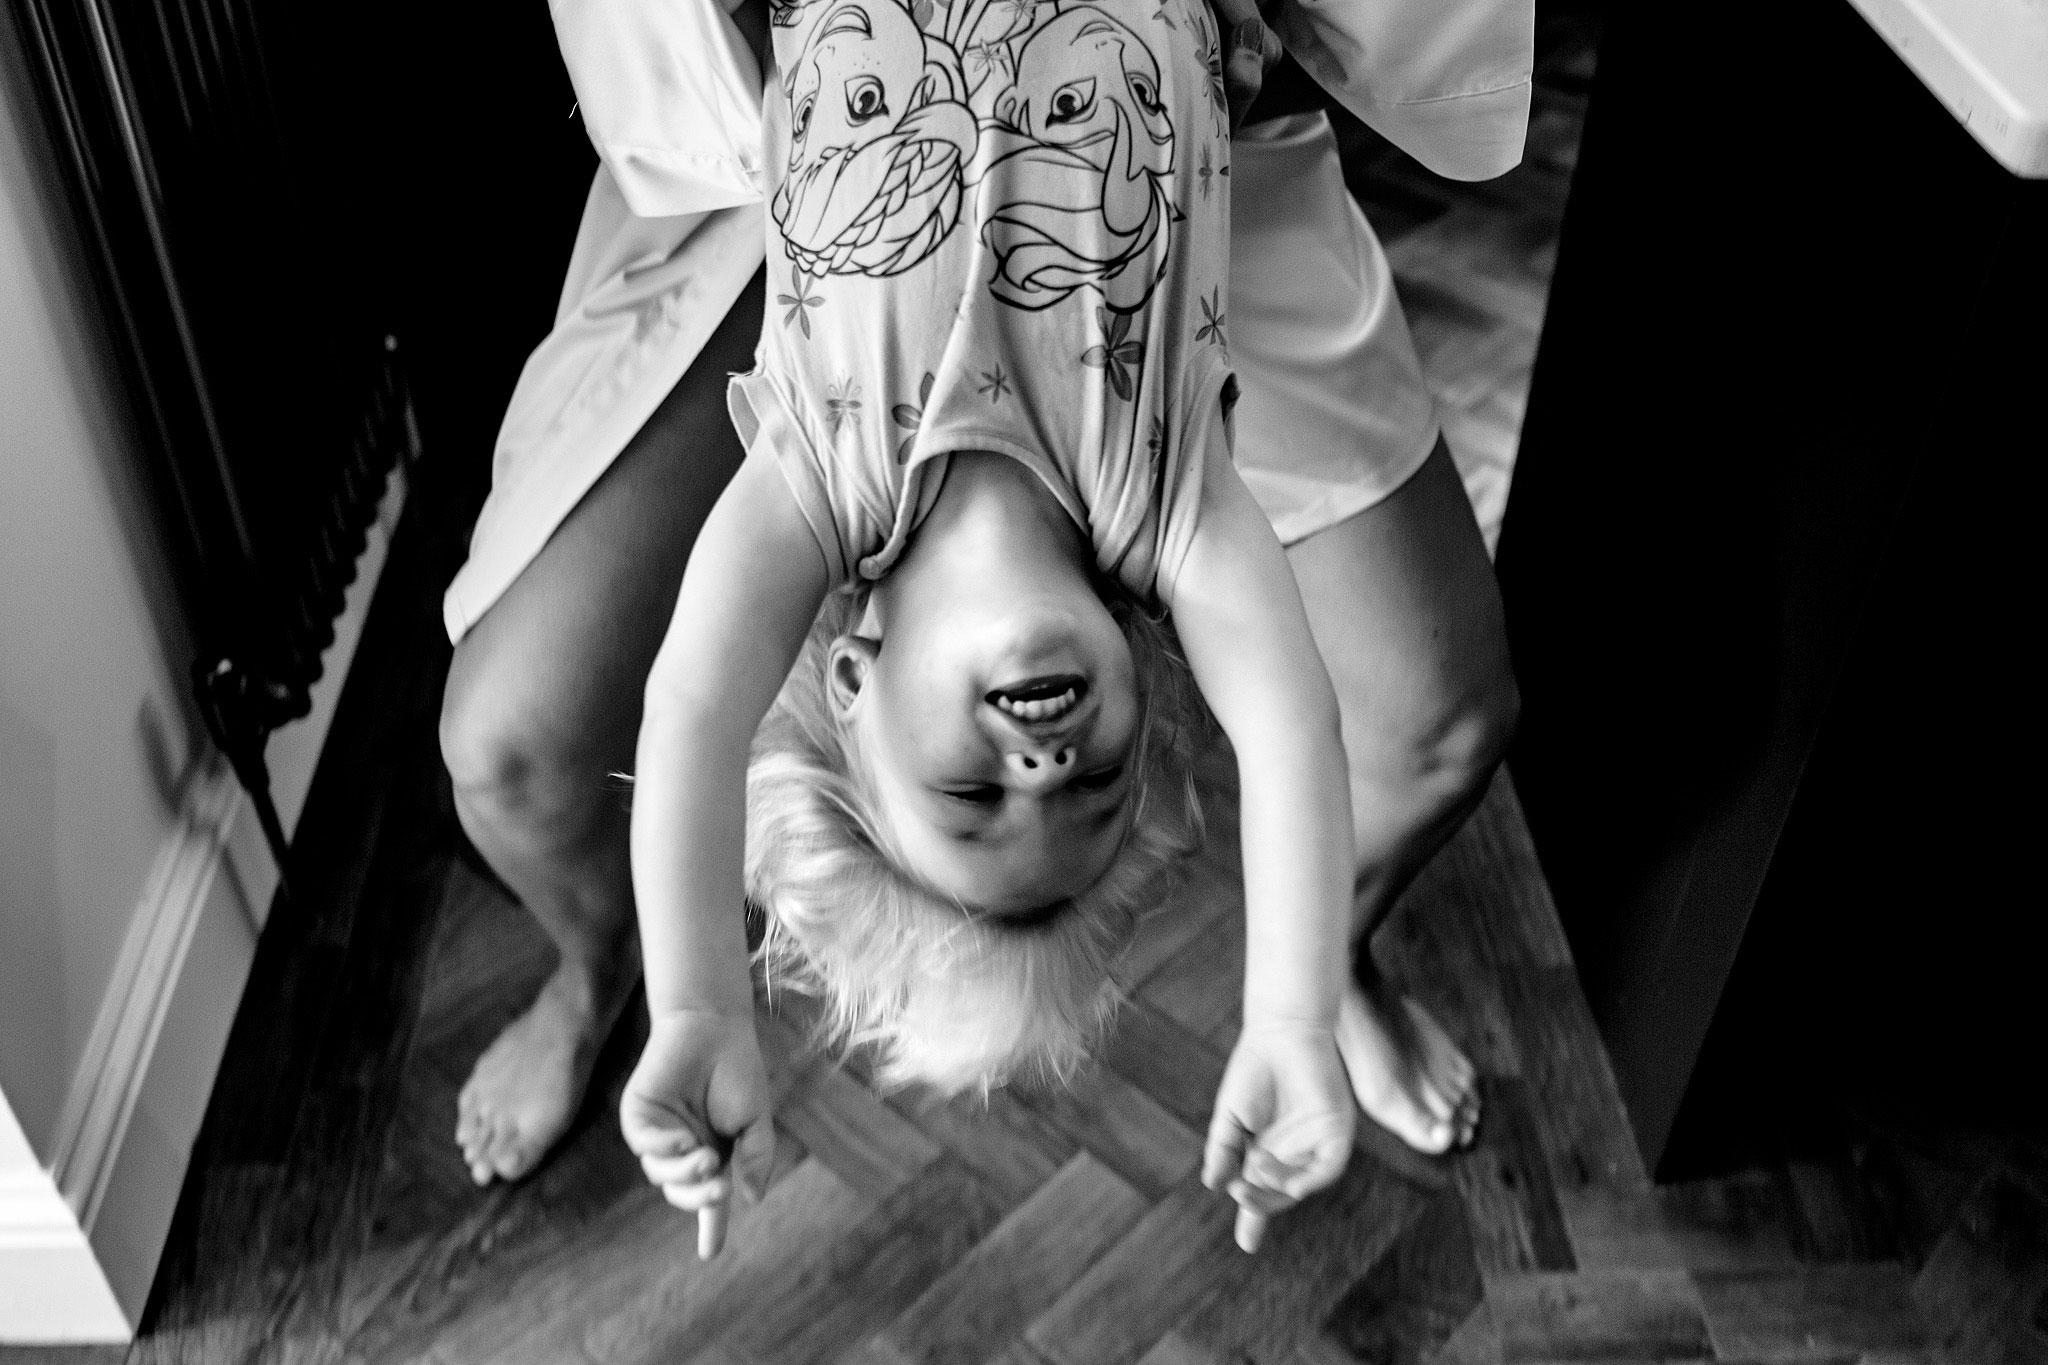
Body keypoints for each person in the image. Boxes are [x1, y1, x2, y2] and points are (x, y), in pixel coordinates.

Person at [436, 0, 1527, 1253]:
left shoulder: (814, 484)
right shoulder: (1170, 499)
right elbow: (1290, 729)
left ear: (853, 679)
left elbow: (687, 710)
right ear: (1141, 675)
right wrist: (1282, 1019)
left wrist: (698, 1010)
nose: (1043, 772)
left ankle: (607, 981)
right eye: (1098, 787)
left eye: (969, 801)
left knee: (509, 735)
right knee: (1434, 709)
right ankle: (1345, 975)